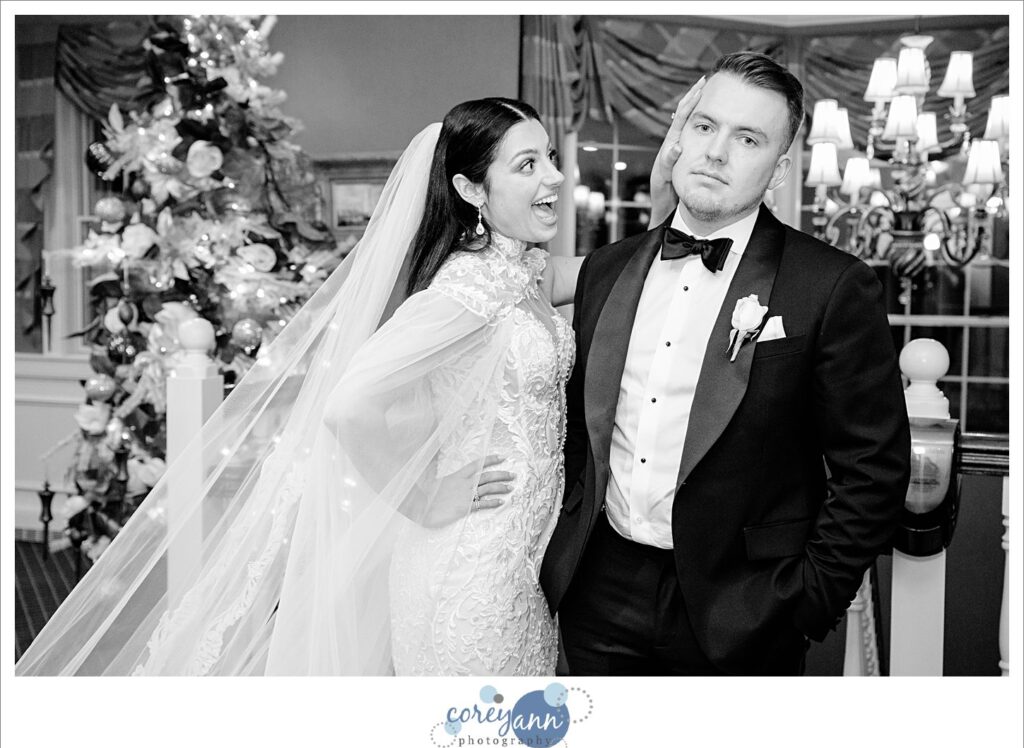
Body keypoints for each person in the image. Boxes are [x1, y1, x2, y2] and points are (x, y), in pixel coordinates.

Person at [15, 95, 681, 676]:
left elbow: (607, 270)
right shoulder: (462, 293)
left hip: (519, 568)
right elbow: (349, 402)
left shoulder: (520, 273)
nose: (556, 178)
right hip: (468, 571)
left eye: (549, 160)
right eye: (527, 164)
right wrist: (425, 494)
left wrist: (670, 200)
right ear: (473, 190)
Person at [540, 52, 912, 676]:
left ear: (779, 168)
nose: (716, 152)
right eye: (705, 127)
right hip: (599, 598)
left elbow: (873, 470)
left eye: (747, 138)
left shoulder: (830, 285)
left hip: (747, 612)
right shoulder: (605, 271)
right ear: (681, 137)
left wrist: (805, 601)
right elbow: (578, 428)